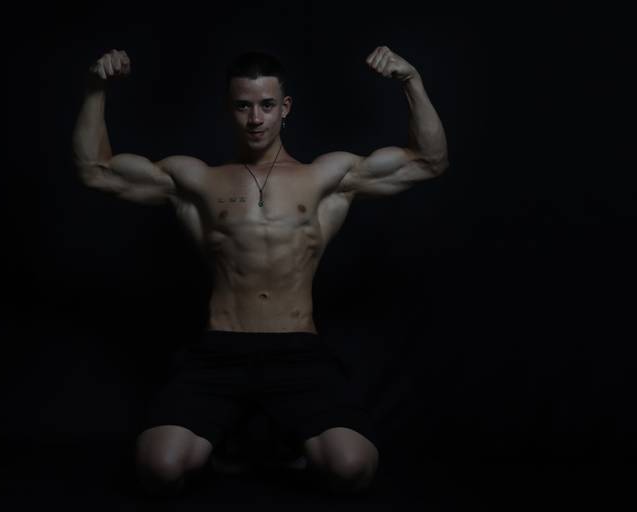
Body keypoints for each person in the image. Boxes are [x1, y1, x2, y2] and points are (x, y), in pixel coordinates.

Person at [71, 46, 448, 497]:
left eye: (267, 105)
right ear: (229, 108)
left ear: (284, 107)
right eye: (243, 106)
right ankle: (234, 439)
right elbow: (95, 170)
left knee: (353, 468)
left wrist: (411, 80)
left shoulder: (325, 177)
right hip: (219, 352)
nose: (255, 119)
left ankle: (276, 438)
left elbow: (429, 161)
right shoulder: (198, 180)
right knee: (159, 468)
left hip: (297, 352)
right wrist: (95, 89)